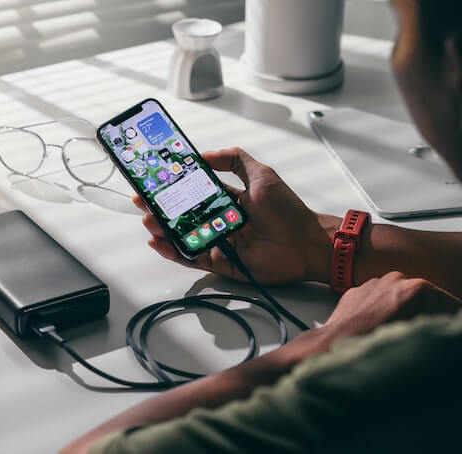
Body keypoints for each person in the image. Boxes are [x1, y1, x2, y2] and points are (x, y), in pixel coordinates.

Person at [63, 1, 462, 452]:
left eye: (400, 27)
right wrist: (319, 244)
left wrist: (329, 344)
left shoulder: (425, 365)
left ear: (452, 59)